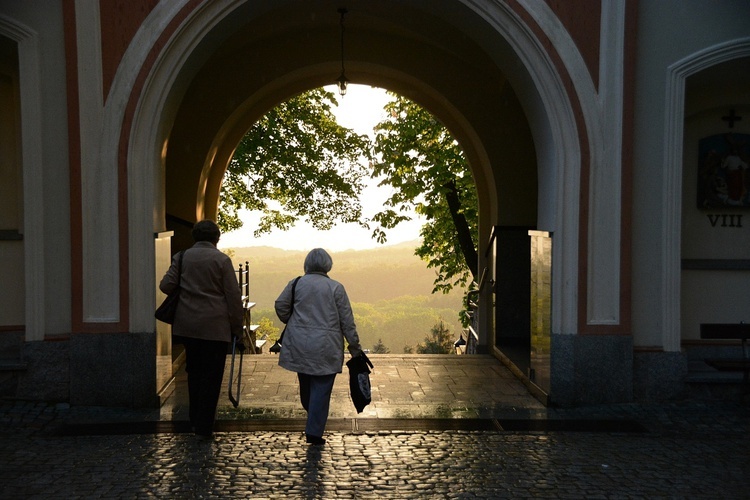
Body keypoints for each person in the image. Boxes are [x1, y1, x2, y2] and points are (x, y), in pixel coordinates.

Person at [159, 219, 243, 439]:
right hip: (215, 327)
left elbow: (165, 285)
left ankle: (194, 419)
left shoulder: (182, 257)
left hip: (187, 326)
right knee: (212, 376)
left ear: (194, 236)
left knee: (194, 373)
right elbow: (233, 298)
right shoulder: (222, 260)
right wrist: (237, 328)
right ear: (216, 238)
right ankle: (205, 425)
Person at [275, 248, 363, 445]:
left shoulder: (296, 283)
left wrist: (292, 322)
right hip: (326, 345)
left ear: (307, 263)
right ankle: (314, 431)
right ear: (327, 264)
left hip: (299, 343)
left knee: (306, 385)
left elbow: (281, 305)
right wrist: (354, 347)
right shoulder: (335, 288)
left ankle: (312, 418)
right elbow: (347, 321)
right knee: (321, 389)